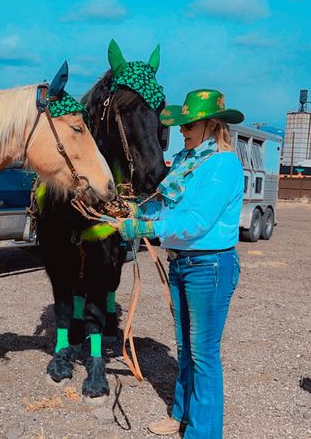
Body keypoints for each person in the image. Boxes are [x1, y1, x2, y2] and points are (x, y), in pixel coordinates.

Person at [108, 89, 244, 438]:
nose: (182, 132)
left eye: (189, 125)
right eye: (181, 126)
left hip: (209, 266)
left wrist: (146, 228)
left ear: (211, 125)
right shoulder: (186, 160)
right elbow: (165, 205)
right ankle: (182, 415)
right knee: (186, 348)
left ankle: (204, 432)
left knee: (204, 354)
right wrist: (137, 210)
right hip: (183, 264)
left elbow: (198, 220)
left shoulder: (223, 163)